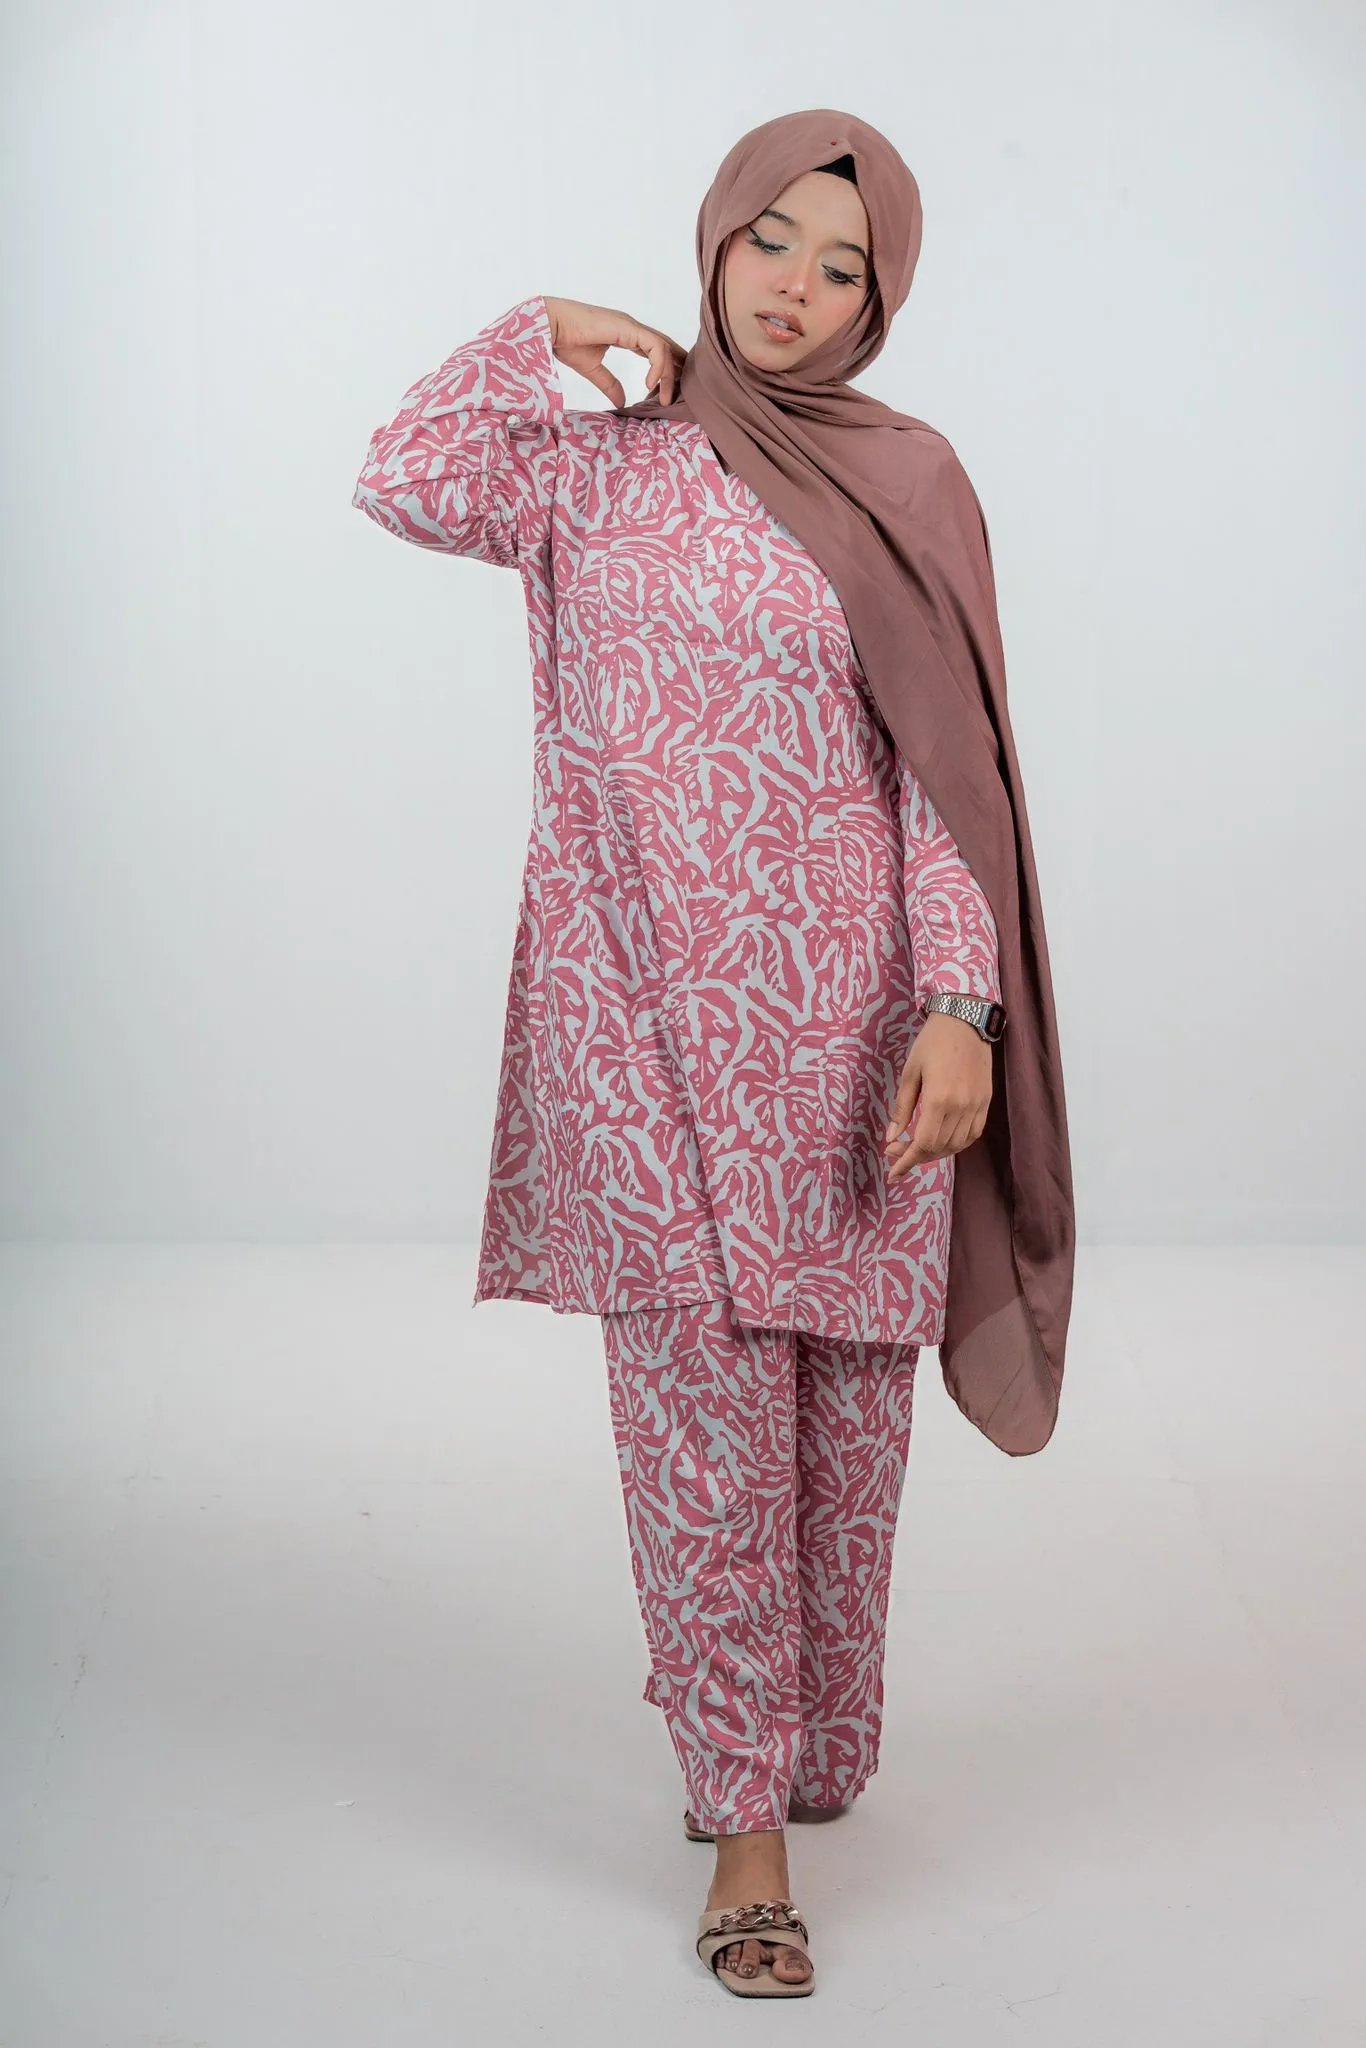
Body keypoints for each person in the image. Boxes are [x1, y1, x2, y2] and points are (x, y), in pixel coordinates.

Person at [353, 109, 1074, 2001]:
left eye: (843, 267)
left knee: (844, 1440)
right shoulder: (597, 472)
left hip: (856, 1044)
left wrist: (960, 1009)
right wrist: (539, 330)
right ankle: (740, 1822)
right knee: (700, 1432)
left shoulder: (906, 483)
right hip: (639, 1027)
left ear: (880, 303)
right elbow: (400, 475)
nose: (792, 289)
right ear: (712, 237)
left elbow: (947, 783)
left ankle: (804, 1750)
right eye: (768, 240)